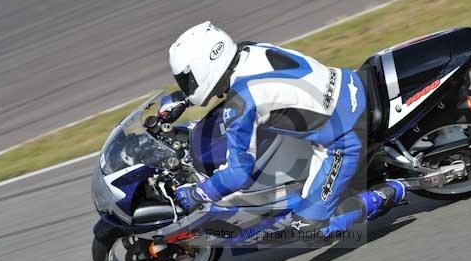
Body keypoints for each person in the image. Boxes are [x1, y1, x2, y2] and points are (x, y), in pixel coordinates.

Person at [161, 21, 406, 238]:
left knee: (309, 227)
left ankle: (390, 192)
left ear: (206, 65)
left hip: (344, 137)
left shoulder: (241, 102)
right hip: (348, 85)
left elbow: (238, 173)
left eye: (187, 79)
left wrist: (199, 193)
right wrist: (183, 102)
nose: (187, 85)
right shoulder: (248, 51)